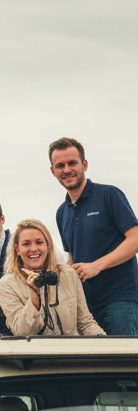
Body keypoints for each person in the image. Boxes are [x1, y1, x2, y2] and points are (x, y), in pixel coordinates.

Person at [50, 137, 138, 335]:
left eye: (72, 163)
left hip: (119, 300)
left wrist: (96, 266)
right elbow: (72, 258)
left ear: (84, 164)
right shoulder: (61, 212)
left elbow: (135, 239)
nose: (67, 170)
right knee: (95, 365)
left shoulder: (109, 195)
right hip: (85, 307)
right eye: (60, 165)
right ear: (52, 171)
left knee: (125, 363)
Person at [0, 219, 104, 337]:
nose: (33, 249)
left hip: (72, 351)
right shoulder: (7, 284)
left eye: (39, 242)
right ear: (17, 250)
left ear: (48, 246)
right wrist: (34, 297)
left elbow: (85, 323)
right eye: (26, 244)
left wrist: (103, 341)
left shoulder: (68, 274)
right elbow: (23, 332)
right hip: (36, 353)